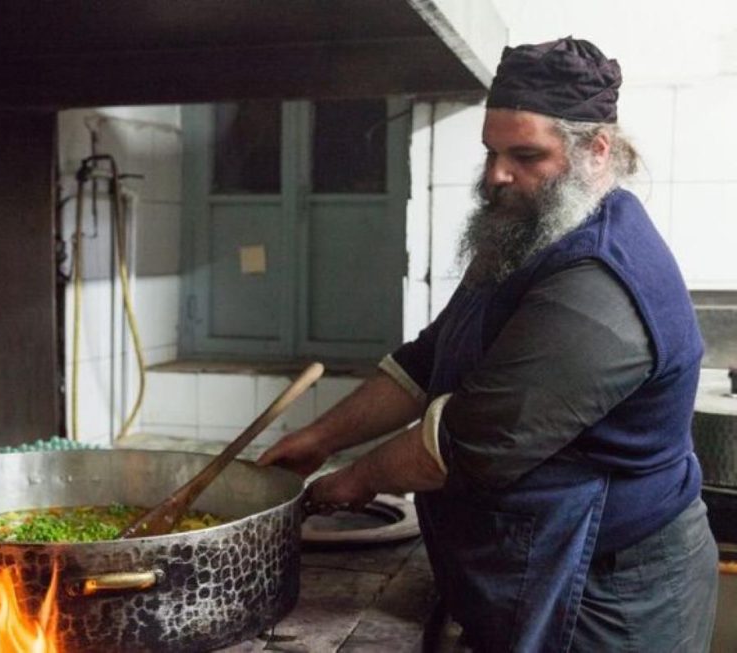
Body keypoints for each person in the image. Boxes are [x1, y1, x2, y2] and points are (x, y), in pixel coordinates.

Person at [258, 37, 718, 652]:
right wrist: (320, 439)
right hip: (535, 559)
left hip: (612, 589)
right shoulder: (529, 230)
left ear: (597, 151)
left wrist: (359, 477)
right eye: (491, 152)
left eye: (526, 155)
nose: (498, 175)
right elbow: (430, 358)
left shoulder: (600, 288)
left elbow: (472, 442)